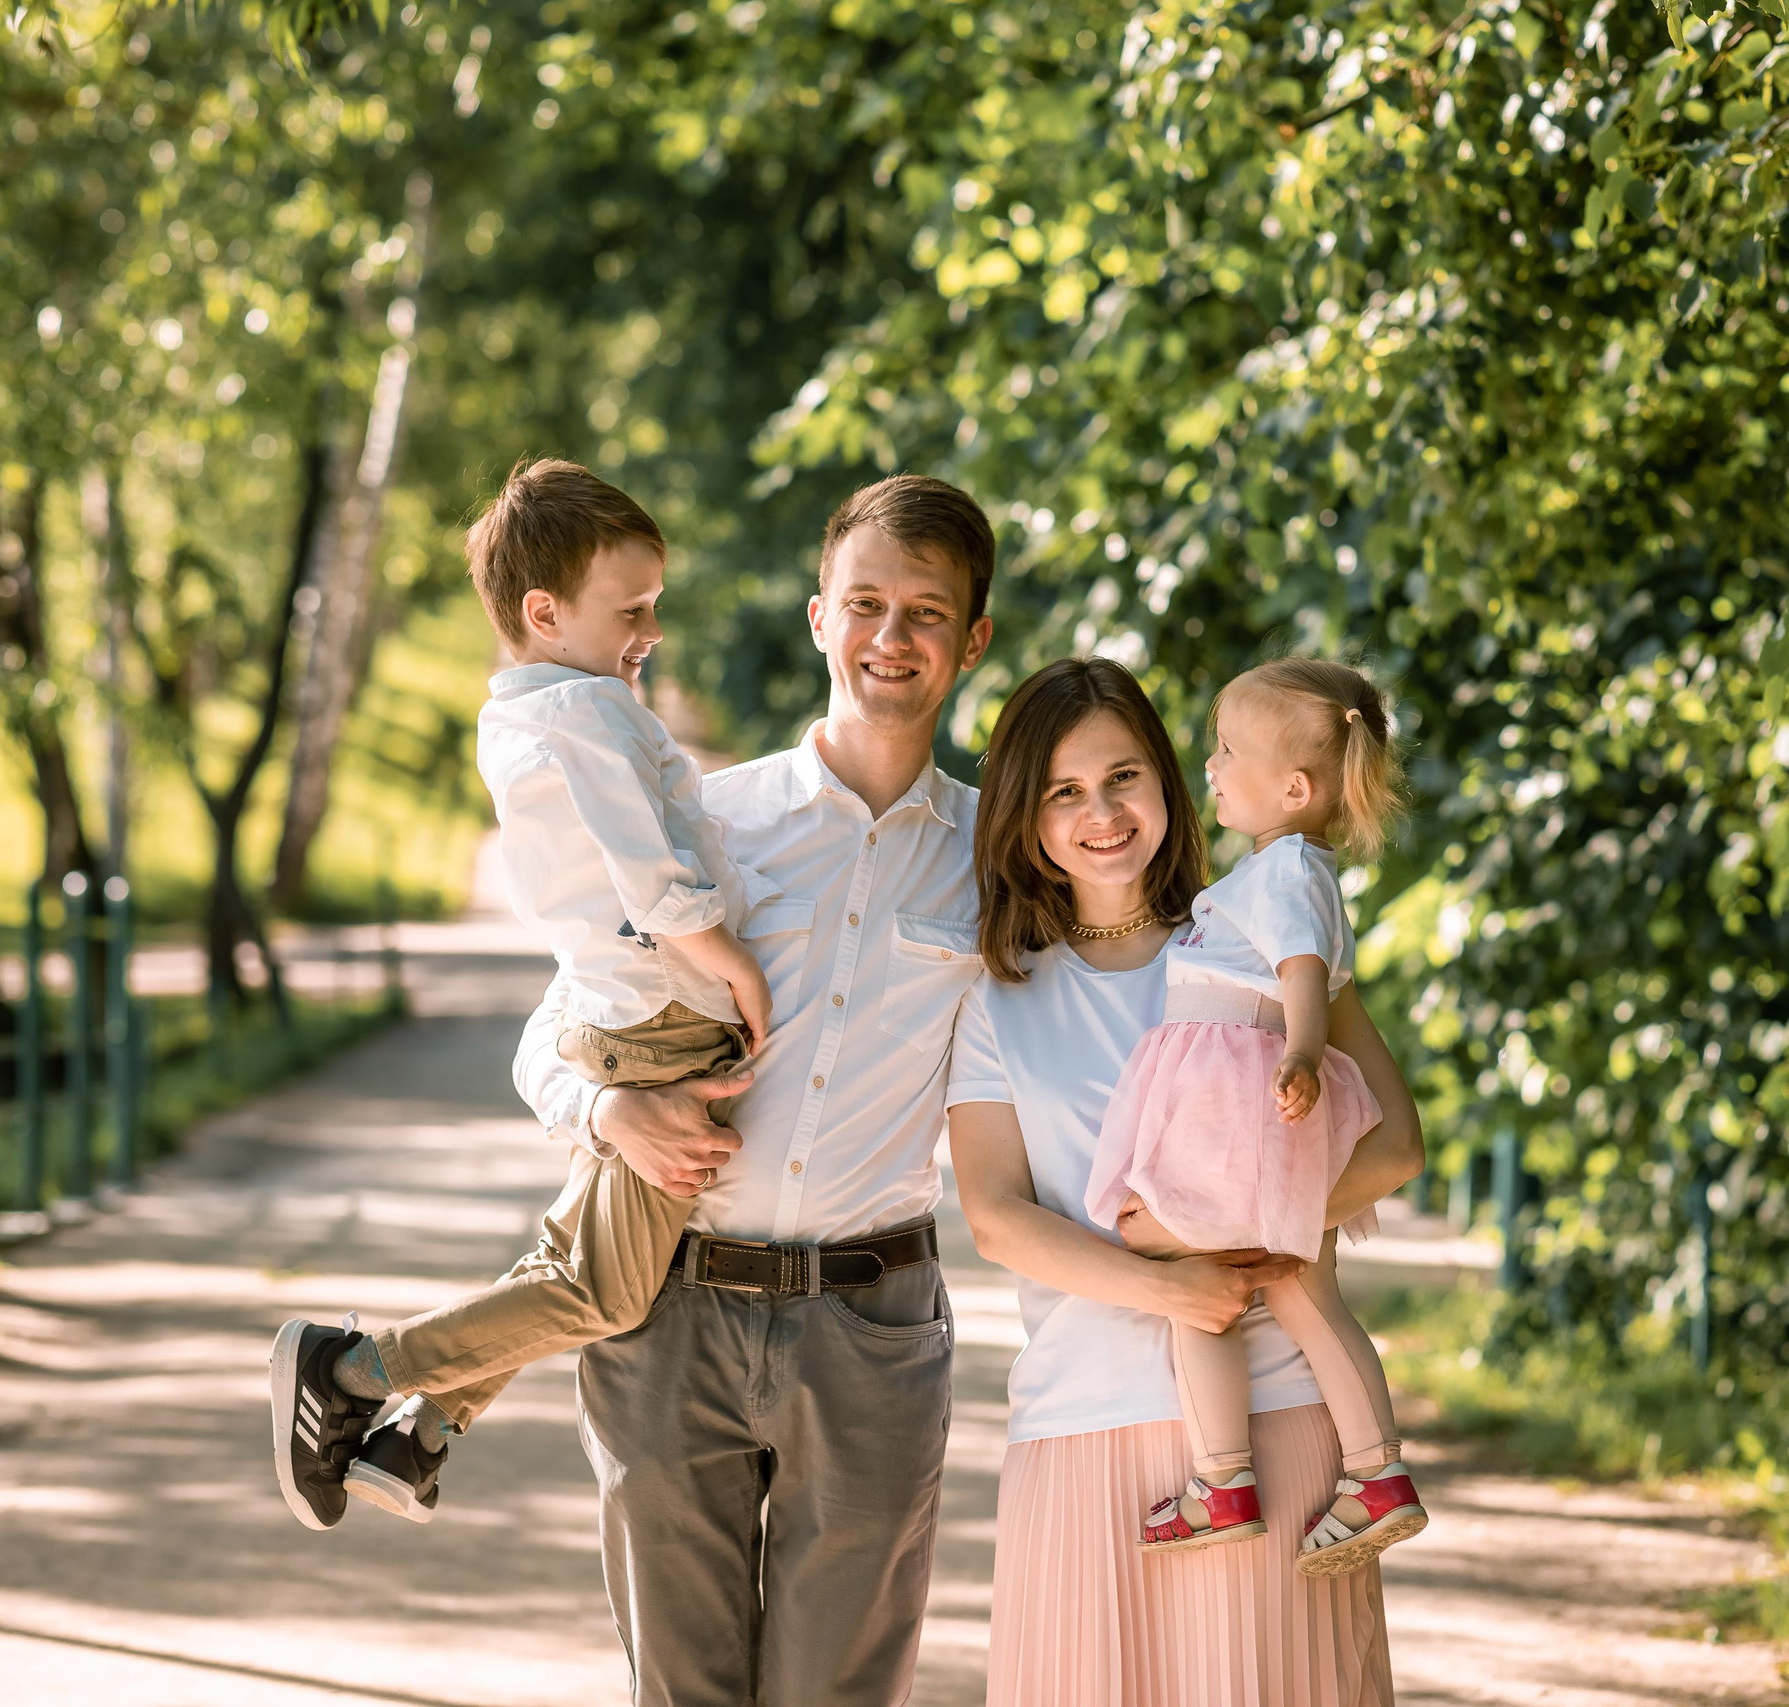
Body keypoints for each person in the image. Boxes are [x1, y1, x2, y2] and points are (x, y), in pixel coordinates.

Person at [511, 474, 996, 1706]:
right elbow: (548, 1037)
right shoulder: (705, 827)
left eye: (927, 613)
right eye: (868, 603)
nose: (894, 637)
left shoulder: (1000, 864)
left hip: (873, 1327)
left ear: (973, 640)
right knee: (682, 1691)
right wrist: (608, 1110)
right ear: (819, 616)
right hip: (673, 1310)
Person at [267, 459, 773, 1532]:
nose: (650, 631)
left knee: (566, 1256)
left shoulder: (536, 712)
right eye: (630, 610)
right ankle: (354, 1370)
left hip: (631, 1015)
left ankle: (420, 1434)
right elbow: (643, 863)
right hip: (663, 1018)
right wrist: (725, 955)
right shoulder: (586, 712)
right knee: (608, 1292)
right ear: (545, 612)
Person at [949, 657, 1422, 1707]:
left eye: (1124, 776)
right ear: (1023, 813)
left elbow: (1393, 1148)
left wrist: (1238, 1232)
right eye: (1064, 791)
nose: (1102, 813)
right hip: (1080, 1422)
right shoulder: (999, 998)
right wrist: (1175, 1285)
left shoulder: (1257, 938)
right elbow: (997, 1216)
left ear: (1170, 781)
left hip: (1279, 1423)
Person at [1086, 658, 1426, 1572]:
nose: (1212, 766)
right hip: (1254, 1106)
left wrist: (1306, 1052)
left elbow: (1303, 971)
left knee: (1178, 1261)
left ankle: (1227, 1479)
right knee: (1299, 1287)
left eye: (1227, 751)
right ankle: (1372, 1474)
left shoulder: (1286, 872)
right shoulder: (1278, 869)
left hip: (1248, 1106)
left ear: (1294, 788)